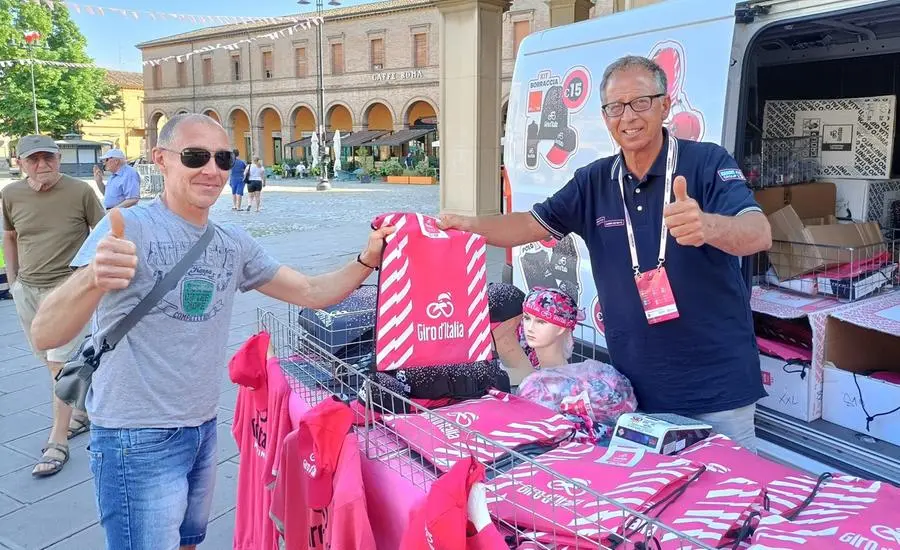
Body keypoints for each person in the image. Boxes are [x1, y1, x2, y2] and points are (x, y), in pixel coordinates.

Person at [29, 113, 394, 550]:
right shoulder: (130, 228)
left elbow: (312, 291)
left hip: (202, 428)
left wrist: (368, 258)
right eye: (196, 156)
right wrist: (92, 278)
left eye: (223, 158)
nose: (212, 169)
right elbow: (45, 334)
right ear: (161, 159)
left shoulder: (232, 242)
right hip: (135, 436)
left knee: (188, 542)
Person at [440, 55, 772, 451]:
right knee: (652, 502)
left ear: (665, 105)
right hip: (636, 388)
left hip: (718, 387)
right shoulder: (594, 181)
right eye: (616, 107)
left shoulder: (706, 163)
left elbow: (759, 233)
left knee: (732, 500)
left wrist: (710, 226)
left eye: (640, 102)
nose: (628, 116)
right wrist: (470, 226)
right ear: (605, 116)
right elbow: (530, 224)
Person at [2, 135, 106, 477]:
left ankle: (57, 440)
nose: (42, 164)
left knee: (60, 366)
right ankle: (82, 412)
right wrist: (15, 281)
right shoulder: (10, 195)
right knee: (50, 362)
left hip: (67, 290)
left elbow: (103, 234)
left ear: (59, 159)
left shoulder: (80, 192)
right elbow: (11, 236)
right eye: (34, 159)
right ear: (20, 163)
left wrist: (89, 279)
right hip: (28, 291)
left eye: (49, 158)